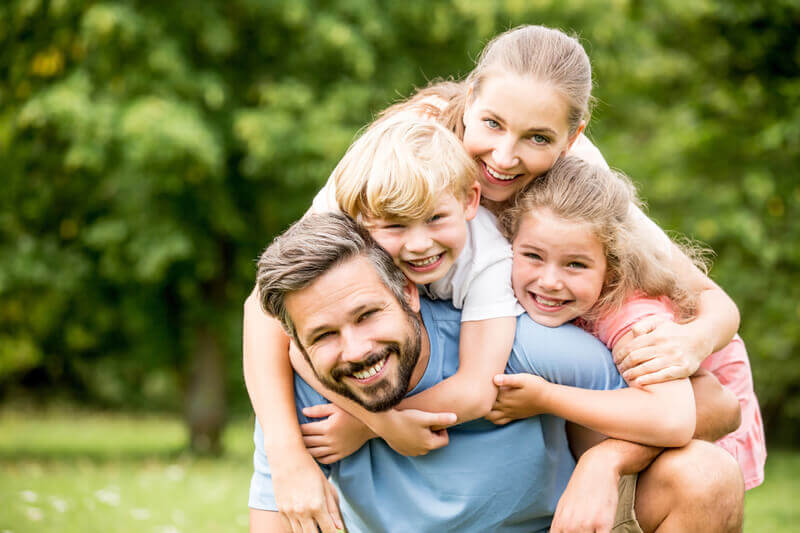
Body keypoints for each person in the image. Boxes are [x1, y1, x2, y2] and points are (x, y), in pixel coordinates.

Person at [242, 24, 742, 528]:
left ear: (572, 138)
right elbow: (272, 302)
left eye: (538, 137)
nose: (503, 158)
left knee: (703, 461)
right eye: (493, 125)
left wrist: (693, 342)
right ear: (471, 96)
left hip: (617, 354)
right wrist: (297, 453)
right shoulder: (399, 162)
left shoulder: (575, 196)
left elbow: (714, 352)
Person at [250, 212, 744, 532]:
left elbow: (715, 407)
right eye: (324, 335)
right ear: (295, 342)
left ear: (408, 292)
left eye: (366, 315)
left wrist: (606, 460)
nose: (356, 350)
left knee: (705, 474)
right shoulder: (297, 398)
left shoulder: (517, 342)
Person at [491, 156, 766, 489]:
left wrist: (544, 397)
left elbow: (672, 421)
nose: (549, 281)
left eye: (575, 265)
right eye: (533, 256)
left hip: (708, 421)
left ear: (613, 269)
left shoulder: (631, 316)